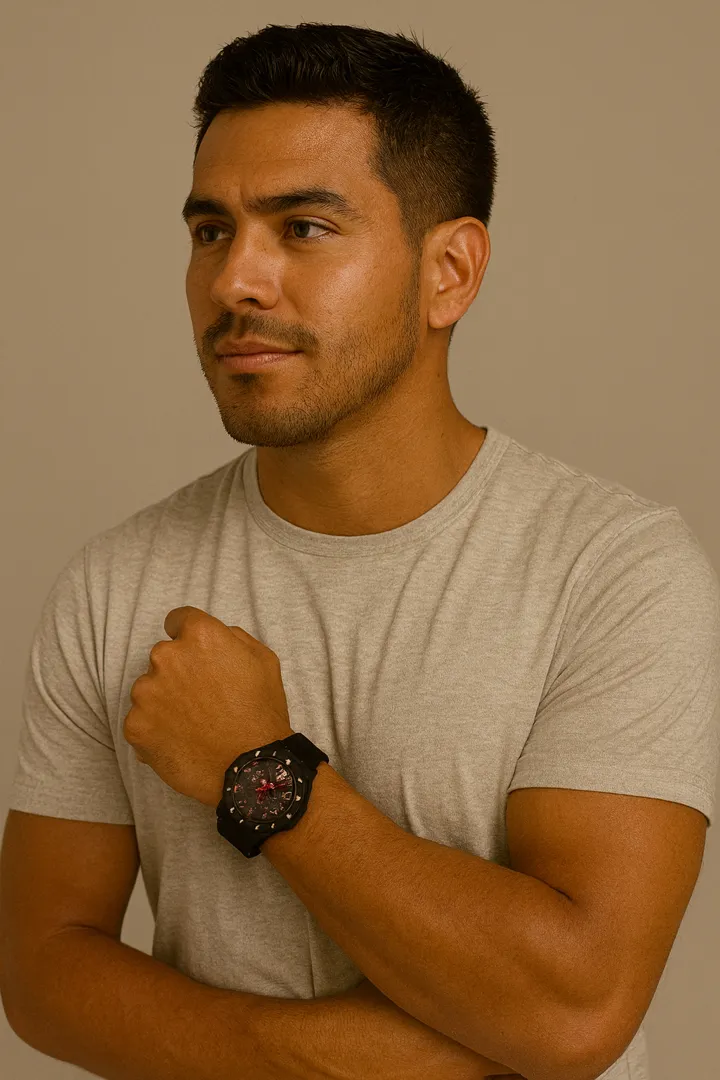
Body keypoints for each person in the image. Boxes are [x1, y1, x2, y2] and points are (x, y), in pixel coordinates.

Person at [3, 22, 718, 1080]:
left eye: (303, 228)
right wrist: (341, 1062)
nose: (236, 281)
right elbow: (41, 974)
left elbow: (573, 1008)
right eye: (211, 231)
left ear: (449, 272)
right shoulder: (116, 584)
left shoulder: (615, 574)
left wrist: (259, 769)